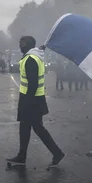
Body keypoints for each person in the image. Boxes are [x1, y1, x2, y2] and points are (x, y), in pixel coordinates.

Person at [6, 36, 65, 167]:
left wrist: (27, 102)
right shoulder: (34, 56)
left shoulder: (30, 59)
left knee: (36, 128)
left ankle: (57, 153)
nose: (20, 46)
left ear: (29, 45)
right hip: (33, 98)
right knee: (26, 127)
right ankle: (22, 156)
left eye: (22, 43)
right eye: (20, 43)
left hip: (31, 99)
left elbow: (32, 83)